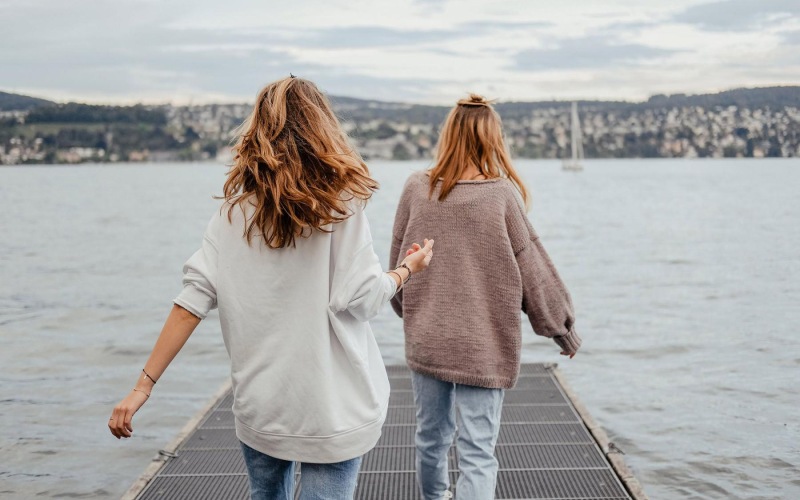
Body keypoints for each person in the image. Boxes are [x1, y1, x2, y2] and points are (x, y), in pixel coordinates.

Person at [108, 76, 434, 499]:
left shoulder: (232, 215)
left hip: (262, 407)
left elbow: (191, 303)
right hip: (330, 407)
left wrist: (142, 387)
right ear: (323, 128)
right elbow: (361, 298)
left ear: (258, 131)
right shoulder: (343, 207)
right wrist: (406, 270)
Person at [389, 94, 581, 499]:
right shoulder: (501, 196)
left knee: (430, 440)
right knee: (477, 452)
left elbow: (397, 263)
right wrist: (560, 328)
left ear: (449, 135)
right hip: (483, 343)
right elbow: (535, 272)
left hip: (429, 337)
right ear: (494, 139)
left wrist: (412, 312)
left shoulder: (415, 188)